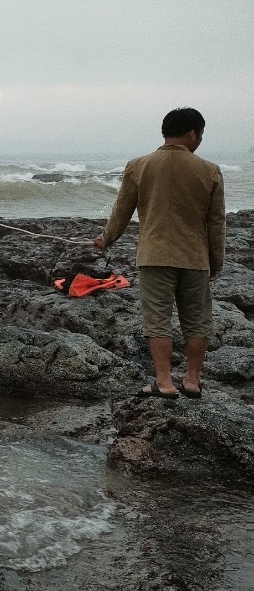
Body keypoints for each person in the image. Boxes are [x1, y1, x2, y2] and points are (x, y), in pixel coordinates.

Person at [93, 108, 225, 399]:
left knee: (157, 320)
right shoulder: (210, 171)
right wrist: (216, 261)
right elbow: (216, 222)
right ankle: (192, 381)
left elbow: (122, 210)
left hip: (154, 256)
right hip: (195, 258)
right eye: (200, 135)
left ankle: (164, 383)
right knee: (197, 319)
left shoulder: (138, 166)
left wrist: (106, 239)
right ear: (192, 133)